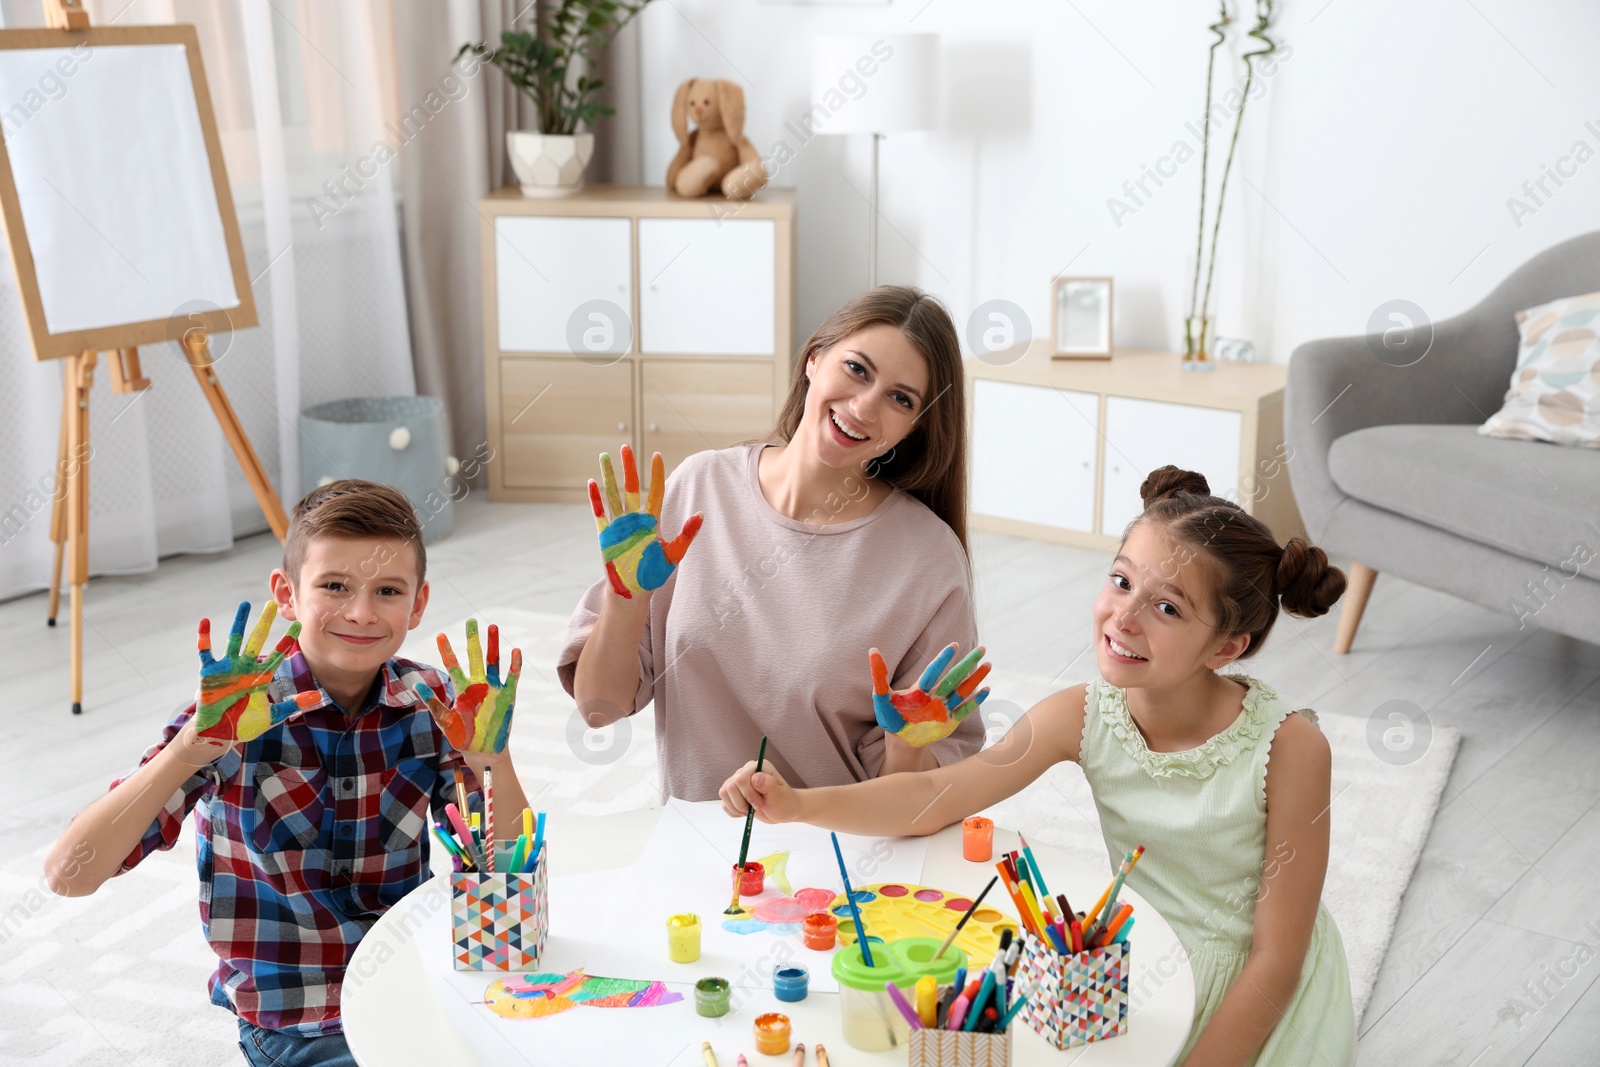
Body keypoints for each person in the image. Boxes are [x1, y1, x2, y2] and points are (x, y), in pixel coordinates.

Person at [720, 465, 1359, 1067]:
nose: (1125, 617)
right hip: (1128, 962)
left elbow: (1278, 959)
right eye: (1121, 581)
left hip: (1260, 996)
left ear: (1226, 646)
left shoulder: (1291, 747)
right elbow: (937, 796)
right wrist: (799, 804)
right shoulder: (1081, 715)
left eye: (1168, 608)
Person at [43, 480, 529, 1067]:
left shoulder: (436, 704)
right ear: (287, 593)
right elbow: (69, 875)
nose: (361, 612)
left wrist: (492, 759)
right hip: (297, 1018)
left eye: (388, 591)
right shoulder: (232, 714)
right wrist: (190, 750)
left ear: (418, 604)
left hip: (414, 983)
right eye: (334, 586)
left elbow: (507, 879)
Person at [558, 285, 986, 801]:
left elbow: (912, 803)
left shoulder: (928, 559)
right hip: (697, 848)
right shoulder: (699, 488)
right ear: (814, 359)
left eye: (900, 398)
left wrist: (906, 745)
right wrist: (626, 601)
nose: (865, 406)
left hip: (839, 855)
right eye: (857, 369)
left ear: (915, 426)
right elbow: (598, 708)